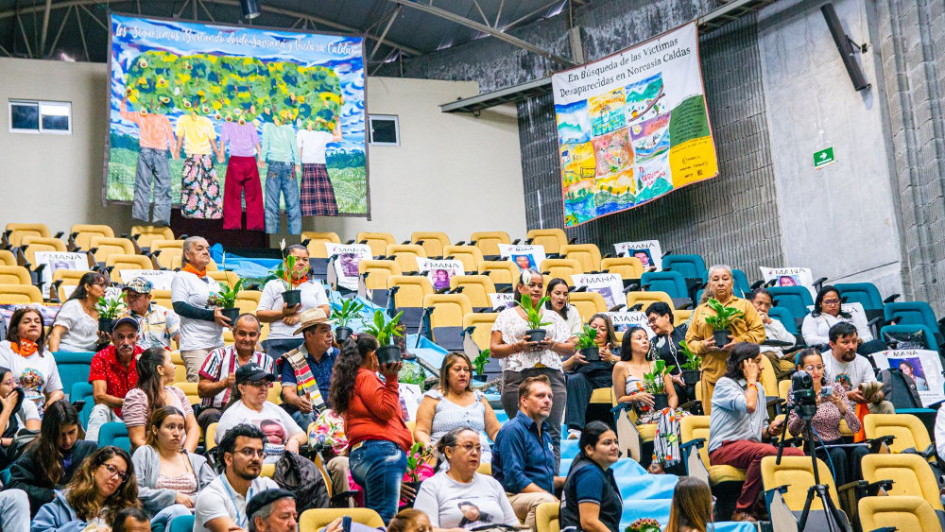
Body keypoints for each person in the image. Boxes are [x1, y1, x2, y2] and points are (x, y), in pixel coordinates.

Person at [707, 343, 802, 522]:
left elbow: (761, 431)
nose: (762, 366)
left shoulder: (759, 389)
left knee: (798, 454)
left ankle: (765, 507)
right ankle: (741, 510)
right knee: (763, 451)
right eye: (758, 362)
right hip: (723, 449)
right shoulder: (725, 384)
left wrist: (771, 429)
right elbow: (749, 406)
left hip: (751, 448)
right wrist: (751, 380)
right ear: (745, 364)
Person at [491, 270, 573, 462]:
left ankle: (551, 484)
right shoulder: (506, 315)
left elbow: (569, 348)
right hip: (518, 378)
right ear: (520, 288)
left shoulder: (553, 317)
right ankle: (522, 482)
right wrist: (517, 346)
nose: (536, 289)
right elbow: (494, 349)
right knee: (519, 432)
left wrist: (551, 344)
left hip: (551, 375)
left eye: (539, 285)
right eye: (531, 284)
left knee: (552, 433)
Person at [328, 334, 411, 523]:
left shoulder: (352, 378)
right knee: (385, 520)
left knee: (373, 519)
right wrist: (391, 379)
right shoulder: (366, 377)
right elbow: (385, 410)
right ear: (373, 355)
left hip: (365, 455)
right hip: (381, 453)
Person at [684, 265, 764, 414]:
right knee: (716, 422)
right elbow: (690, 341)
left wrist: (739, 341)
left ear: (732, 283)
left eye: (725, 278)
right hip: (712, 375)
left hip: (743, 372)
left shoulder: (744, 305)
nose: (721, 283)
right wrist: (703, 345)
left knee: (747, 419)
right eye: (715, 279)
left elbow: (759, 332)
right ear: (709, 285)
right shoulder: (701, 310)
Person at [787, 349, 867, 487]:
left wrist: (840, 404)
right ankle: (839, 500)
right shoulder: (795, 390)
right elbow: (793, 431)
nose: (816, 372)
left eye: (819, 367)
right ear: (800, 369)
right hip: (815, 447)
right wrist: (811, 406)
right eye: (810, 368)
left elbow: (856, 427)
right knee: (837, 454)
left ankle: (858, 497)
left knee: (861, 451)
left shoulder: (835, 387)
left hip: (837, 443)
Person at [492, 375, 563, 529]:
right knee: (543, 502)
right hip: (509, 497)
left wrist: (568, 480)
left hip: (537, 495)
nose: (547, 401)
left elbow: (543, 477)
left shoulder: (546, 435)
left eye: (550, 397)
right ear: (524, 401)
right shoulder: (513, 430)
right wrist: (549, 496)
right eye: (540, 396)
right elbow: (515, 479)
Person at [612, 326, 687, 473]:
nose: (644, 341)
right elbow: (620, 399)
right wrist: (635, 397)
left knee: (685, 418)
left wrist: (670, 410)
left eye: (646, 338)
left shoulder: (658, 365)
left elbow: (673, 396)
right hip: (644, 416)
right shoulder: (621, 367)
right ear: (629, 344)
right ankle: (661, 464)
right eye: (639, 338)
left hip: (665, 412)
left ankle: (657, 463)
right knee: (672, 417)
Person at [413, 427, 517, 531]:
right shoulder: (432, 486)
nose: (475, 453)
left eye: (478, 448)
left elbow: (513, 524)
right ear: (449, 452)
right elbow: (423, 529)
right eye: (468, 446)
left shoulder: (492, 484)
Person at [132, 406, 215, 532]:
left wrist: (191, 500)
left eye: (181, 428)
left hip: (195, 515)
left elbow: (214, 490)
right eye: (170, 427)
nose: (176, 433)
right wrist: (173, 496)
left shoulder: (196, 460)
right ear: (155, 429)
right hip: (155, 517)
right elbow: (135, 491)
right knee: (179, 511)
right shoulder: (145, 454)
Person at [9, 400, 98, 516]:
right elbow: (14, 485)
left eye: (72, 432)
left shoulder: (90, 449)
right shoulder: (35, 452)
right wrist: (51, 495)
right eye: (61, 434)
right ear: (49, 432)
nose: (68, 440)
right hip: (48, 513)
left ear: (78, 427)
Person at [413, 353, 501, 464]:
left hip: (482, 459)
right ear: (446, 374)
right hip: (446, 459)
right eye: (457, 369)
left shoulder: (479, 398)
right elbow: (421, 431)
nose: (463, 374)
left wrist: (508, 446)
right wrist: (427, 445)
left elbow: (495, 431)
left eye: (467, 370)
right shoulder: (433, 399)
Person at [31, 445, 140, 532]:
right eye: (111, 469)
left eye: (122, 475)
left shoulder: (125, 512)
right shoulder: (64, 504)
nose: (116, 478)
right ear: (93, 468)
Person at [194, 424, 280, 532]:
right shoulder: (210, 496)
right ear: (228, 458)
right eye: (248, 452)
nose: (256, 459)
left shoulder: (269, 488)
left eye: (260, 453)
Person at [215, 363, 306, 464]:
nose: (263, 388)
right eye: (257, 383)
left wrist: (294, 441)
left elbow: (301, 434)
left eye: (266, 383)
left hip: (284, 469)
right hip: (251, 471)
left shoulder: (275, 409)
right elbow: (228, 450)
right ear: (241, 388)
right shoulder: (232, 415)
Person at [198, 314, 274, 430]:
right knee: (211, 416)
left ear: (258, 336)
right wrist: (224, 383)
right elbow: (201, 390)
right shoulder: (218, 355)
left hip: (251, 412)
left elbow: (267, 393)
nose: (247, 339)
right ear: (234, 334)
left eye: (252, 335)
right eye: (242, 333)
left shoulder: (266, 360)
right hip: (217, 410)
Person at [258, 244, 331, 360]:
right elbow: (260, 314)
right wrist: (283, 313)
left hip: (307, 341)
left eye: (305, 260)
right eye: (296, 259)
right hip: (278, 340)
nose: (301, 263)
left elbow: (326, 311)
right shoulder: (274, 284)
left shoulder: (316, 286)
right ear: (286, 262)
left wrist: (301, 316)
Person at [172, 236, 229, 382]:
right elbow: (179, 306)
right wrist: (212, 316)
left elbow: (213, 308)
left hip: (217, 342)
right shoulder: (182, 277)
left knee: (221, 386)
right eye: (200, 249)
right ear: (187, 254)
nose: (206, 252)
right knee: (200, 386)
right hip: (195, 344)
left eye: (208, 249)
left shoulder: (211, 281)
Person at [123, 347, 199, 452]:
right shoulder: (137, 397)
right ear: (160, 369)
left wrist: (184, 456)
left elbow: (193, 428)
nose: (174, 367)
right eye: (171, 362)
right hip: (152, 460)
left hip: (181, 458)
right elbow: (138, 440)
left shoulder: (178, 393)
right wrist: (165, 459)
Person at [823, 322, 894, 429]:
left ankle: (890, 444)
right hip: (831, 406)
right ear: (832, 344)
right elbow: (818, 393)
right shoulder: (821, 362)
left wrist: (874, 396)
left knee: (886, 406)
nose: (851, 346)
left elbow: (878, 392)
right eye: (845, 342)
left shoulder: (863, 361)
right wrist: (847, 395)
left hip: (856, 405)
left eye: (854, 341)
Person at [119, 95, 177, 226]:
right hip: (150, 151)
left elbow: (170, 135)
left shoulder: (160, 118)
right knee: (151, 185)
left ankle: (157, 217)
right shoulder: (143, 116)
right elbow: (124, 114)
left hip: (157, 152)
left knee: (152, 185)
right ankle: (145, 215)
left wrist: (173, 151)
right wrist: (123, 101)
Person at [87, 316, 144, 442]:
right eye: (120, 337)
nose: (126, 341)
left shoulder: (144, 358)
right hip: (114, 417)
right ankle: (90, 456)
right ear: (112, 338)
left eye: (130, 336)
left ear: (137, 339)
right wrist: (129, 402)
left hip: (141, 418)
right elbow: (99, 397)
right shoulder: (101, 358)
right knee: (99, 409)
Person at [279, 308, 338, 428]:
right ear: (309, 335)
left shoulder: (337, 355)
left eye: (329, 330)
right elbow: (287, 392)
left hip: (336, 412)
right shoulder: (293, 359)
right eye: (323, 330)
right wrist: (298, 401)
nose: (329, 335)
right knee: (305, 416)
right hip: (310, 414)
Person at [564, 313, 619, 440]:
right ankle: (575, 430)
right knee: (575, 378)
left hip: (608, 381)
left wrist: (612, 358)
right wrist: (573, 360)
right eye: (594, 327)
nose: (597, 331)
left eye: (603, 329)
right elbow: (558, 367)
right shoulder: (578, 348)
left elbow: (631, 365)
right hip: (585, 380)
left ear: (608, 333)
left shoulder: (615, 349)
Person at [559, 421, 622, 532]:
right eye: (607, 443)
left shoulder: (594, 470)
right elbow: (589, 522)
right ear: (589, 449)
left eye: (615, 442)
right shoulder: (589, 473)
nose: (615, 447)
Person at [0, 307, 64, 415]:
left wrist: (55, 397)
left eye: (37, 322)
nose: (33, 324)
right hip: (12, 410)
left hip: (40, 412)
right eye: (27, 322)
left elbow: (56, 390)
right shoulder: (5, 348)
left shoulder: (47, 356)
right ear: (16, 329)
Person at [802, 285, 886, 355]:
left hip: (854, 348)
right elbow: (810, 339)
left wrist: (860, 340)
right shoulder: (812, 317)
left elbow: (868, 336)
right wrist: (836, 341)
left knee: (877, 344)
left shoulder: (850, 315)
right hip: (831, 350)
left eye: (836, 301)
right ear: (820, 303)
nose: (832, 305)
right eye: (828, 302)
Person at [175, 106, 224, 220]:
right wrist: (177, 150)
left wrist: (217, 153)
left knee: (210, 188)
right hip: (192, 157)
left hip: (205, 156)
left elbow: (211, 138)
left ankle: (212, 216)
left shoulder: (206, 120)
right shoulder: (183, 119)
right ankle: (193, 215)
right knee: (192, 188)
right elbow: (180, 136)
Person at [219, 111, 264, 231]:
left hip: (236, 161)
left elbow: (223, 141)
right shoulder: (249, 124)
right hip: (249, 161)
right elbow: (257, 142)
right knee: (253, 195)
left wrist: (222, 154)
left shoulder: (228, 124)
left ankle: (232, 224)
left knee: (232, 194)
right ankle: (255, 224)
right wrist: (260, 158)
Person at [261, 114, 302, 234]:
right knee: (293, 206)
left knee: (271, 207)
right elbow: (294, 147)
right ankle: (295, 238)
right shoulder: (289, 128)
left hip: (274, 165)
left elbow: (265, 145)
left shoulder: (267, 127)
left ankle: (270, 240)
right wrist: (298, 163)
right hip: (289, 165)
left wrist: (262, 159)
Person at [48, 272, 108, 353]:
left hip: (90, 356)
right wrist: (54, 360)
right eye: (101, 285)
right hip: (67, 352)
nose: (105, 290)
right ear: (87, 287)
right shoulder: (73, 306)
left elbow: (94, 341)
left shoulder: (103, 309)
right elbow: (56, 333)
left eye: (105, 286)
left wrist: (103, 340)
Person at [645, 302, 691, 404]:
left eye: (653, 320)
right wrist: (674, 378)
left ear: (666, 317)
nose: (651, 325)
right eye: (649, 322)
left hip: (693, 377)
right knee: (674, 391)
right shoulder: (653, 342)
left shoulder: (685, 331)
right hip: (673, 383)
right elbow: (657, 367)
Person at [297, 118, 342, 217]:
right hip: (314, 165)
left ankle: (314, 213)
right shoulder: (304, 132)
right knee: (320, 195)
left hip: (314, 165)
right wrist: (338, 123)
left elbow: (339, 138)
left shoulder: (320, 134)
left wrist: (338, 123)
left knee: (314, 195)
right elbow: (339, 137)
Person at [748, 288, 796, 379]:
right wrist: (756, 322)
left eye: (767, 305)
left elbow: (790, 344)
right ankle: (779, 386)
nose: (763, 308)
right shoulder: (743, 322)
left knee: (805, 354)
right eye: (759, 303)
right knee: (769, 355)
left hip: (780, 357)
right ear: (750, 303)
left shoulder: (773, 322)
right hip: (761, 358)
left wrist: (770, 322)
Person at [122, 277, 180, 350]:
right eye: (129, 295)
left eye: (136, 296)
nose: (131, 299)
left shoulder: (165, 314)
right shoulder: (123, 317)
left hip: (161, 358)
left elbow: (180, 338)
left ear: (148, 297)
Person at [0, 365, 41, 469]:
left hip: (16, 459)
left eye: (14, 382)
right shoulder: (8, 408)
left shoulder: (15, 409)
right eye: (9, 383)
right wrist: (7, 409)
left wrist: (3, 441)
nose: (15, 386)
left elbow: (31, 438)